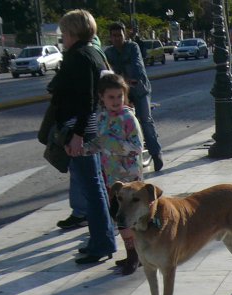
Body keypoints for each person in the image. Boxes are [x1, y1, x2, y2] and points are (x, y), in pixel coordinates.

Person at [50, 9, 117, 264]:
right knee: (95, 187)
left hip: (83, 131)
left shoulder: (78, 56)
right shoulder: (93, 53)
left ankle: (101, 243)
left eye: (64, 32)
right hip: (89, 129)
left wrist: (77, 135)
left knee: (93, 189)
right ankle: (102, 239)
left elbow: (85, 100)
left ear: (73, 32)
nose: (62, 37)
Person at [95, 73, 144, 275]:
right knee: (118, 217)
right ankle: (131, 253)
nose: (116, 102)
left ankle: (137, 255)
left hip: (129, 179)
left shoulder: (128, 118)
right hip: (111, 177)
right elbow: (100, 142)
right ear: (102, 98)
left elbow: (137, 146)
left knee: (129, 218)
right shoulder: (102, 117)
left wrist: (112, 144)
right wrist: (86, 148)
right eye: (111, 97)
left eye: (119, 97)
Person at [105, 22, 164, 171]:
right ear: (110, 37)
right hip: (122, 92)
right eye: (114, 36)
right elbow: (108, 72)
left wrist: (129, 78)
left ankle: (156, 154)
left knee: (146, 120)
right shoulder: (109, 53)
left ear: (125, 35)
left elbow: (137, 67)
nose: (117, 38)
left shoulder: (133, 47)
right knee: (119, 121)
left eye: (119, 35)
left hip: (140, 89)